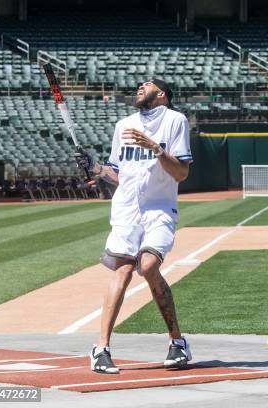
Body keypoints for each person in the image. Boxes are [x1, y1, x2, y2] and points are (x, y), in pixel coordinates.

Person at [75, 79, 193, 374]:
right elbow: (119, 173)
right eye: (139, 86)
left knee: (150, 265)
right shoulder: (123, 125)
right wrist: (96, 169)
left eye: (148, 85)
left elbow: (181, 173)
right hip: (126, 210)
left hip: (159, 209)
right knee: (124, 270)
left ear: (162, 94)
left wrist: (156, 149)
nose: (141, 87)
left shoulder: (175, 121)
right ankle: (100, 348)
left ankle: (177, 342)